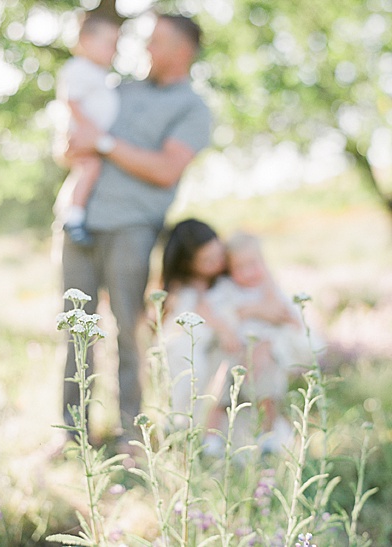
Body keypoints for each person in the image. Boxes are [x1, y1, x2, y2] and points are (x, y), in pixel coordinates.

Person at [58, 13, 211, 449]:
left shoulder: (193, 108)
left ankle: (131, 434)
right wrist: (71, 145)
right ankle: (71, 435)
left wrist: (103, 143)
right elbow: (72, 139)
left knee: (128, 329)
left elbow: (165, 170)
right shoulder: (118, 87)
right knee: (75, 330)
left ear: (182, 52)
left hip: (132, 227)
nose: (145, 49)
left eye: (156, 42)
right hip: (78, 221)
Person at [207, 231, 310, 452]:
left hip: (263, 353)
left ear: (263, 262)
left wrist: (263, 313)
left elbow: (291, 321)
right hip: (232, 350)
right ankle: (210, 439)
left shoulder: (270, 290)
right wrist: (251, 311)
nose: (248, 272)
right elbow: (217, 314)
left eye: (253, 264)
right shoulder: (227, 289)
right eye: (239, 267)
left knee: (268, 391)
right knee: (219, 391)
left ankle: (267, 435)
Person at [160, 219, 236, 433]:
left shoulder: (225, 283)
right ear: (187, 264)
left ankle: (204, 429)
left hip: (221, 353)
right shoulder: (181, 293)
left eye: (219, 255)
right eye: (208, 260)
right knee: (190, 365)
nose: (219, 263)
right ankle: (178, 426)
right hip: (191, 356)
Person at [56, 13, 121, 246]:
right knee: (89, 168)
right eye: (108, 44)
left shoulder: (99, 73)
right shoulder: (78, 69)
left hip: (91, 135)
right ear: (85, 41)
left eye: (115, 45)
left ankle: (72, 212)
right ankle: (73, 217)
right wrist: (90, 131)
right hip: (82, 134)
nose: (113, 51)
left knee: (87, 170)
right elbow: (71, 101)